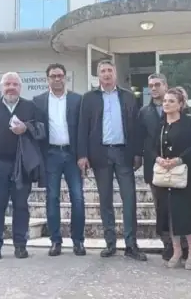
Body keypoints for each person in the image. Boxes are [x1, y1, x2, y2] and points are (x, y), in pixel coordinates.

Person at [77, 59, 147, 261]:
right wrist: (82, 155)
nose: (106, 74)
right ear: (98, 75)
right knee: (105, 200)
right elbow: (82, 127)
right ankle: (110, 243)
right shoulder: (88, 98)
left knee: (129, 199)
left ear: (115, 74)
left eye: (109, 70)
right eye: (103, 71)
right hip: (100, 155)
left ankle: (131, 244)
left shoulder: (128, 96)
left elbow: (136, 127)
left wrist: (138, 153)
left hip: (124, 154)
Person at [0, 72, 44, 260]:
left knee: (21, 206)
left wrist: (26, 128)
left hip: (22, 165)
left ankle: (20, 245)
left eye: (15, 84)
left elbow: (41, 130)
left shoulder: (30, 107)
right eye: (7, 84)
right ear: (2, 87)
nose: (11, 87)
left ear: (20, 87)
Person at [33, 64, 86, 257]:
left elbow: (83, 129)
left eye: (60, 75)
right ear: (47, 79)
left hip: (72, 155)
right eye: (53, 76)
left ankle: (78, 241)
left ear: (65, 78)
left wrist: (83, 155)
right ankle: (55, 241)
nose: (57, 79)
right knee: (52, 198)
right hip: (51, 155)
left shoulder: (77, 99)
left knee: (78, 198)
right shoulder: (38, 101)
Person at [136, 75, 189, 261]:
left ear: (165, 86)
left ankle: (184, 245)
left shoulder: (182, 109)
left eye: (157, 84)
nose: (154, 88)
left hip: (179, 166)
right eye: (150, 85)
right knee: (161, 208)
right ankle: (167, 244)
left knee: (180, 207)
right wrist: (140, 157)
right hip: (156, 167)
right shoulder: (144, 112)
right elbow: (141, 138)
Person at [154, 87, 191, 270]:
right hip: (165, 175)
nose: (166, 104)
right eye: (165, 101)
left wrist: (179, 160)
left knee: (184, 213)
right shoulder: (161, 125)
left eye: (171, 101)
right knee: (169, 214)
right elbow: (151, 146)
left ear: (180, 104)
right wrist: (158, 159)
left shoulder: (189, 122)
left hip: (182, 173)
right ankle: (176, 251)